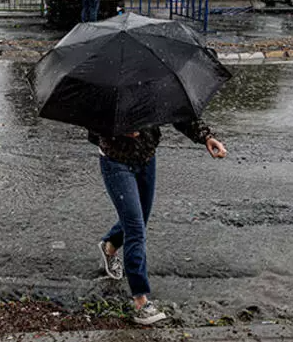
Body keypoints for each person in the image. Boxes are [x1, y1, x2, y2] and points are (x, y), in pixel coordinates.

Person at [90, 121, 227, 325]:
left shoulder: (151, 88)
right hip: (115, 160)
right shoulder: (102, 90)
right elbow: (90, 122)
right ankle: (140, 301)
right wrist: (118, 129)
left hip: (146, 158)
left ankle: (109, 245)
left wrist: (206, 137)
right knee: (135, 229)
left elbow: (176, 110)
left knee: (139, 220)